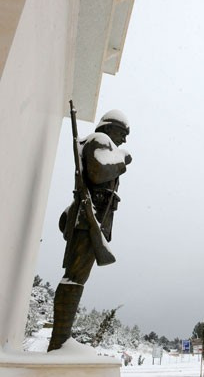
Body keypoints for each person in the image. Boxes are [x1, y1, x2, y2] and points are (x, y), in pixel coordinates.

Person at [48, 110, 132, 352]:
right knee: (75, 277)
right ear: (108, 128)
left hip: (91, 217)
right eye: (122, 133)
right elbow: (97, 172)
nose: (124, 140)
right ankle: (60, 340)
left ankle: (62, 337)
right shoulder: (100, 140)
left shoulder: (99, 143)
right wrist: (122, 161)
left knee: (77, 277)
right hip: (89, 218)